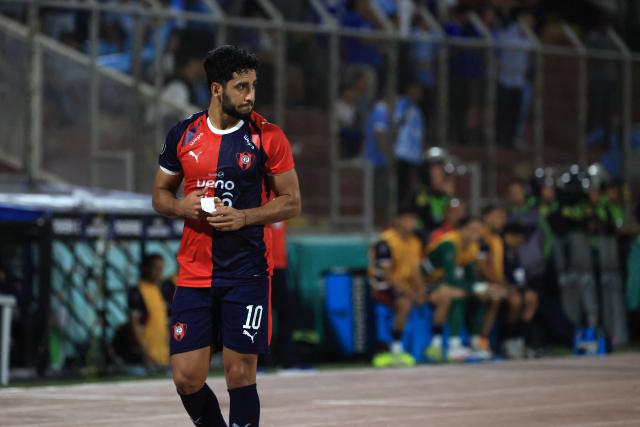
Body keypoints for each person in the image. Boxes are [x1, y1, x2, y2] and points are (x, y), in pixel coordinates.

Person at [151, 45, 301, 427]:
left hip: (246, 273)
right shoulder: (183, 134)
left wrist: (245, 217)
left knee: (239, 374)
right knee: (186, 377)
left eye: (253, 85)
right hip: (194, 273)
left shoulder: (268, 137)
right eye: (241, 87)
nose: (250, 95)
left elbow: (291, 202)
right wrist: (182, 207)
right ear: (217, 89)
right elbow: (160, 195)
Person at [422, 216, 485, 362]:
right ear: (461, 230)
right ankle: (452, 346)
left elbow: (471, 276)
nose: (476, 234)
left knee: (480, 296)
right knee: (457, 294)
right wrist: (474, 288)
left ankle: (475, 343)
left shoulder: (472, 246)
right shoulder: (449, 243)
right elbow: (448, 277)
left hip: (444, 283)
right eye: (472, 230)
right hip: (426, 282)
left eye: (479, 230)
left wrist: (481, 288)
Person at [368, 210, 425, 367]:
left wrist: (420, 291)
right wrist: (410, 293)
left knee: (425, 298)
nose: (411, 224)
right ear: (398, 221)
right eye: (407, 219)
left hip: (403, 284)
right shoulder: (386, 241)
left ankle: (428, 347)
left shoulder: (415, 242)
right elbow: (386, 275)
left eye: (413, 220)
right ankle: (395, 348)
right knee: (405, 303)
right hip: (382, 284)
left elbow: (416, 271)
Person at [119, 254, 171, 368]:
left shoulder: (161, 290)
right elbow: (134, 324)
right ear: (146, 268)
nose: (159, 272)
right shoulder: (138, 291)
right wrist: (143, 352)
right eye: (155, 268)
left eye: (161, 269)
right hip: (147, 355)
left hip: (163, 355)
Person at [501, 222, 540, 358]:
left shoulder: (514, 252)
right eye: (519, 237)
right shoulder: (499, 249)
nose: (522, 241)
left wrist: (523, 287)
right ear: (509, 236)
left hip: (514, 287)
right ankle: (509, 340)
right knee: (516, 301)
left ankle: (524, 340)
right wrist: (509, 287)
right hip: (502, 287)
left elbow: (519, 275)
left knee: (531, 298)